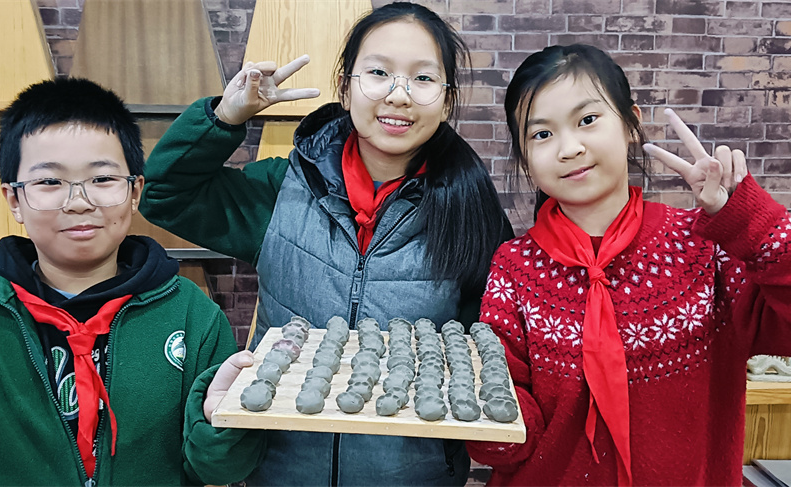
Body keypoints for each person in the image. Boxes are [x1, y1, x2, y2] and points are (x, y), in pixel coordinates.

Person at [465, 44, 791, 486]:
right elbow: (507, 440)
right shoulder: (516, 267)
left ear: (631, 124)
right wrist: (474, 403)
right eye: (541, 134)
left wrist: (751, 222)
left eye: (587, 120)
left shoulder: (703, 249)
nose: (569, 148)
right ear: (524, 158)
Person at [140, 2, 512, 484]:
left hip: (411, 474)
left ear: (446, 101)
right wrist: (225, 118)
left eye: (423, 78)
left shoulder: (470, 212)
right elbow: (164, 196)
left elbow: (484, 351)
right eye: (378, 73)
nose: (398, 95)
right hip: (283, 470)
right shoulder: (282, 190)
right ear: (345, 87)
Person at [0, 78, 263, 486]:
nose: (79, 202)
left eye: (103, 179)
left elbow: (219, 467)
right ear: (14, 199)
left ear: (135, 192)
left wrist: (220, 424)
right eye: (49, 182)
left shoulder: (190, 313)